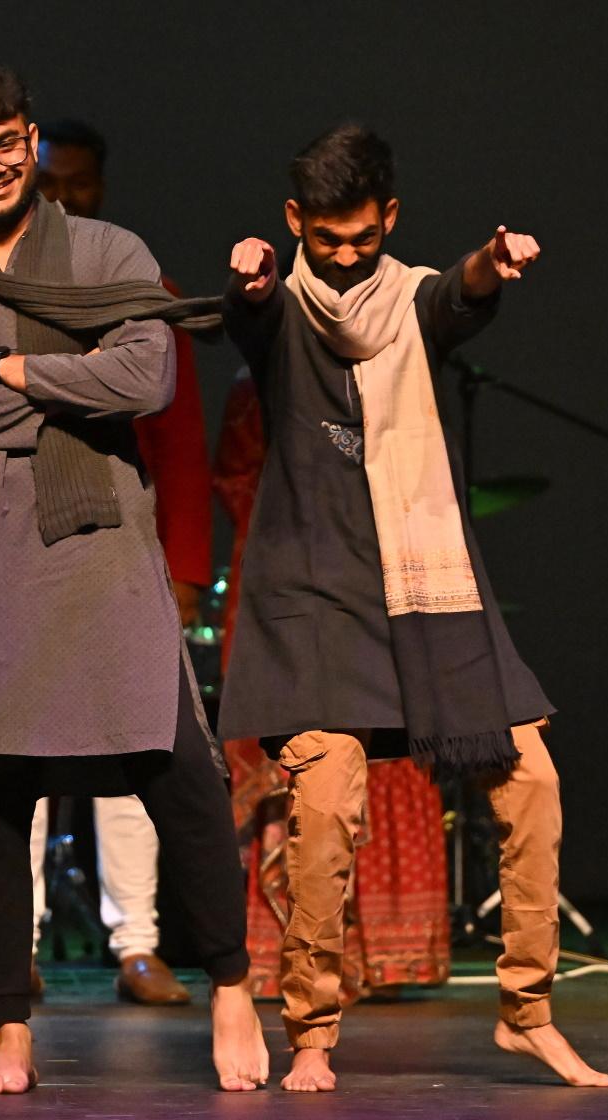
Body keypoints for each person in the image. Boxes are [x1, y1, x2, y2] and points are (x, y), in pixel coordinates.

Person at [219, 123, 608, 1091]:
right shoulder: (280, 312)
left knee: (530, 778)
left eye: (360, 235)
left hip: (426, 593)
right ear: (296, 224)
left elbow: (455, 299)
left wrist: (490, 264)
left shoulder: (409, 300)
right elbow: (245, 316)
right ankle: (313, 1028)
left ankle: (526, 1008)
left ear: (389, 219)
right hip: (318, 598)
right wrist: (247, 275)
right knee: (323, 801)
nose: (342, 253)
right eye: (323, 237)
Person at [0, 62, 267, 1095]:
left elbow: (145, 377)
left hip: (93, 539)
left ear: (32, 142)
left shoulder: (106, 251)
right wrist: (66, 389)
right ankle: (9, 1027)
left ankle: (228, 978)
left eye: (8, 146)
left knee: (175, 767)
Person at [11, 117, 212, 1006]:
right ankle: (10, 949)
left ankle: (138, 945)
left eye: (81, 183)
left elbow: (177, 437)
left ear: (101, 187)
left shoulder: (140, 282)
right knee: (11, 752)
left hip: (124, 549)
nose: (65, 196)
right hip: (20, 545)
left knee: (133, 749)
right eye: (52, 179)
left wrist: (185, 562)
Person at [213, 373, 450, 1002]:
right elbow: (240, 482)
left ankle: (387, 953)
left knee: (387, 739)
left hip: (386, 572)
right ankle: (305, 956)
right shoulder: (265, 380)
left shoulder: (395, 372)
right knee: (316, 753)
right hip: (294, 574)